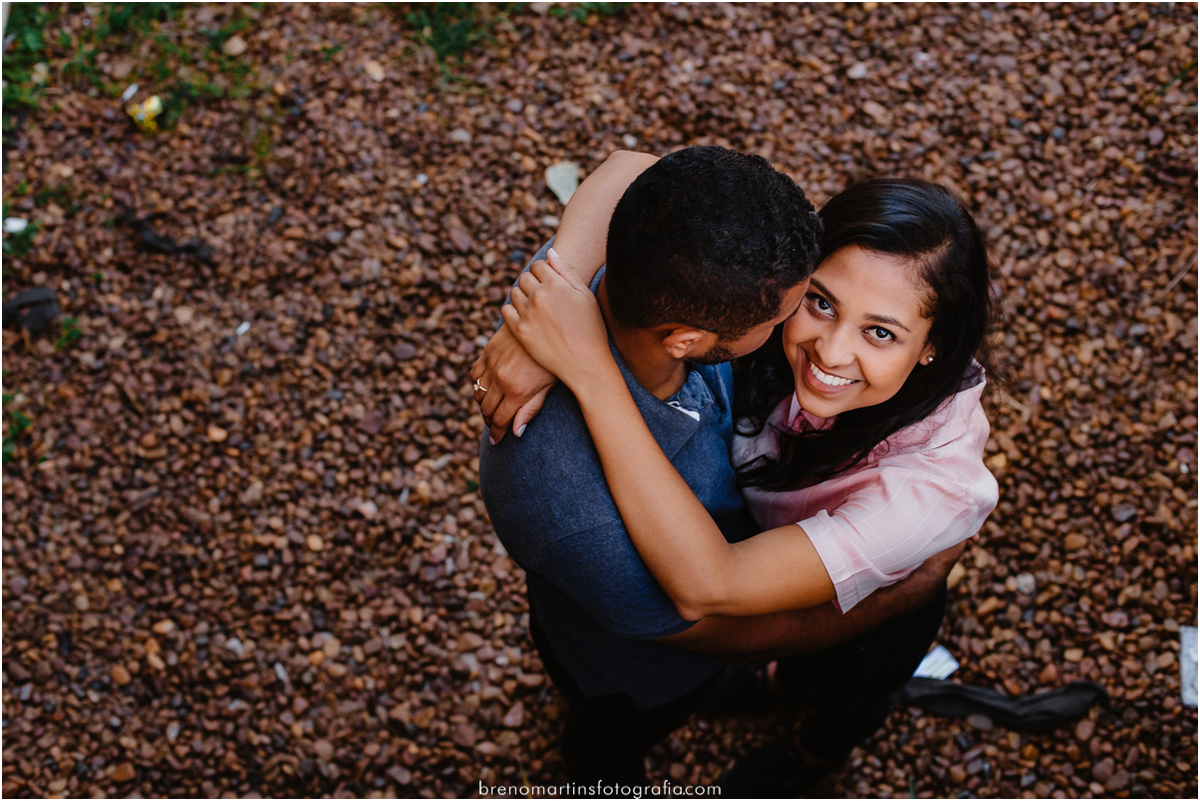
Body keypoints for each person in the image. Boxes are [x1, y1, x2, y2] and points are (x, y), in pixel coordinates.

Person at [490, 159, 999, 795]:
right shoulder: (746, 308)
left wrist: (585, 361)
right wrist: (541, 305)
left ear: (934, 345)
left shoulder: (931, 489)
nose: (831, 353)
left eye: (880, 332)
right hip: (724, 594)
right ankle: (769, 687)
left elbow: (712, 586)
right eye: (820, 301)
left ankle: (812, 759)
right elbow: (637, 174)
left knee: (845, 698)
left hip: (864, 616)